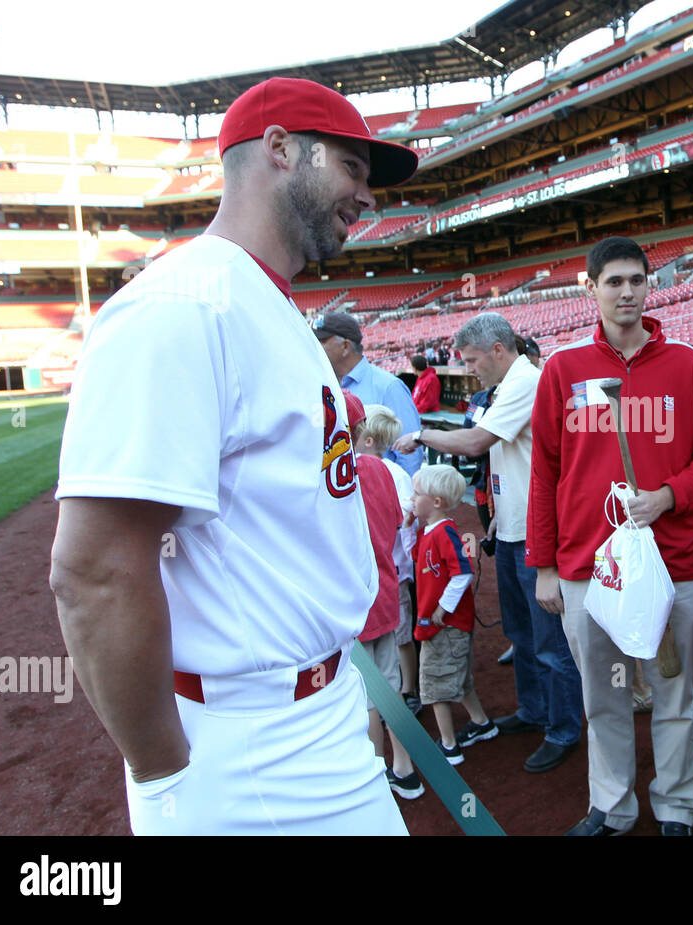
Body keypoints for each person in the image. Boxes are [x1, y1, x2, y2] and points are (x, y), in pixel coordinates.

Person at [50, 76, 418, 835]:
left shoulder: (268, 303)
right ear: (282, 148)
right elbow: (93, 572)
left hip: (318, 707)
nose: (367, 194)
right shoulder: (181, 304)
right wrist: (164, 773)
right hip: (247, 739)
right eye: (352, 167)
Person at [528, 235, 693, 836]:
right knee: (608, 695)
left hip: (670, 562)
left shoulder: (686, 367)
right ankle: (612, 806)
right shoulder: (564, 370)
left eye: (636, 280)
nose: (626, 291)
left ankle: (675, 805)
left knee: (672, 692)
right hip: (587, 568)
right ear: (590, 289)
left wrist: (669, 495)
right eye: (613, 281)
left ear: (650, 286)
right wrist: (544, 565)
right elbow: (544, 471)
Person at [399, 311, 584, 773]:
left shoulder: (525, 382)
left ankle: (563, 727)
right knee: (522, 633)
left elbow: (478, 441)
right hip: (513, 528)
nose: (470, 368)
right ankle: (535, 711)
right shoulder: (510, 384)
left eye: (474, 359)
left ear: (499, 350)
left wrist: (421, 434)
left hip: (537, 533)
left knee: (549, 640)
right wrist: (498, 519)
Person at [344, 394, 422, 801]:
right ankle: (404, 767)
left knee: (365, 694)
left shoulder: (324, 472)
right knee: (389, 686)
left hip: (347, 601)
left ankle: (376, 771)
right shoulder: (378, 469)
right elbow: (395, 522)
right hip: (384, 589)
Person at [412, 464, 496, 765]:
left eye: (416, 494)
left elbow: (462, 573)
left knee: (435, 685)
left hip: (445, 625)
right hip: (445, 623)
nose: (411, 498)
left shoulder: (444, 533)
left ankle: (448, 745)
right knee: (458, 678)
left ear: (436, 501)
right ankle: (481, 722)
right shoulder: (430, 530)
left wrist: (441, 608)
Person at [358, 402, 422, 718]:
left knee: (396, 642)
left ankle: (409, 691)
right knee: (395, 642)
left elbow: (406, 523)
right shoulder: (390, 471)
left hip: (388, 571)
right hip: (392, 571)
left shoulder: (382, 472)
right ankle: (404, 692)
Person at [315, 310, 424, 475]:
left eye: (321, 341)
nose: (314, 346)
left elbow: (409, 455)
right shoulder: (321, 385)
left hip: (376, 492)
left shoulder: (389, 387)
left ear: (345, 346)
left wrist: (398, 498)